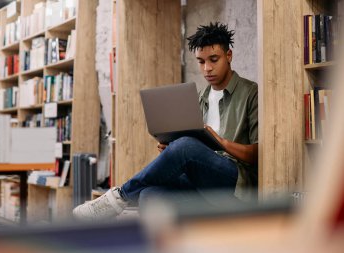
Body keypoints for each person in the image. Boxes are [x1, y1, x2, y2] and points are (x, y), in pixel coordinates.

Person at [73, 22, 258, 220]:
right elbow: (193, 150)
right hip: (201, 182)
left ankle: (119, 196)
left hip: (233, 180)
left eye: (214, 59)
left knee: (185, 146)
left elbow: (258, 153)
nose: (207, 68)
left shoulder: (251, 92)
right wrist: (171, 150)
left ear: (228, 56)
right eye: (201, 62)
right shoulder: (199, 97)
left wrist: (220, 142)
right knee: (149, 195)